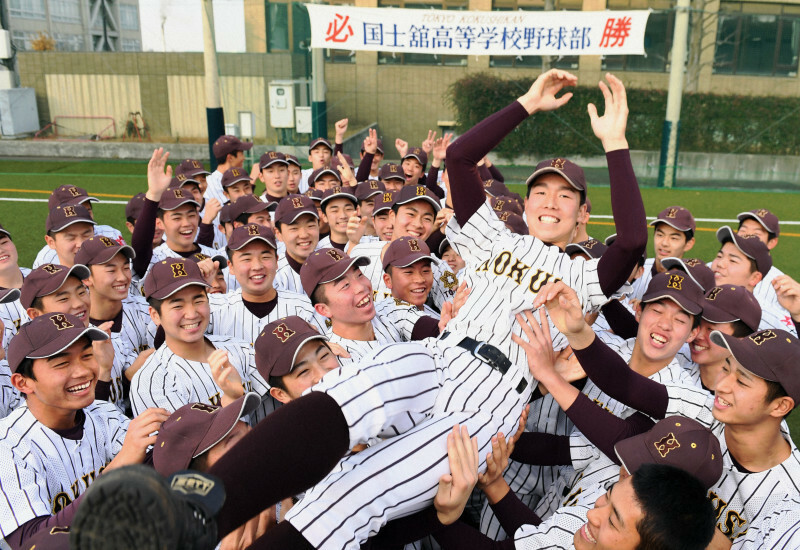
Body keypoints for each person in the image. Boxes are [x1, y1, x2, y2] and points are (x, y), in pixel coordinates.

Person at [526, 279, 800, 545]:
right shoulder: (704, 409)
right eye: (726, 369)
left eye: (741, 382)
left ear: (780, 406)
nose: (722, 386)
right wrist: (577, 331)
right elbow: (625, 384)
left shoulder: (789, 499)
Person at [0, 313, 168, 549]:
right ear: (22, 383)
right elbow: (33, 542)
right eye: (62, 363)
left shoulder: (102, 412)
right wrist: (118, 469)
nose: (82, 371)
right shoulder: (8, 449)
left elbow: (159, 467)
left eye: (87, 355)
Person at [129, 257, 270, 421]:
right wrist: (229, 400)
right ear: (155, 315)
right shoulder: (152, 381)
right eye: (178, 305)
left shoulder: (237, 348)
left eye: (198, 300)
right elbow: (179, 443)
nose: (192, 314)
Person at [711, 225, 796, 335]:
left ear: (754, 278)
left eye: (733, 260)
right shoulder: (695, 299)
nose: (720, 264)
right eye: (719, 256)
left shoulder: (773, 325)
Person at [629, 206, 695, 302]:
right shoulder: (635, 270)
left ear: (688, 244)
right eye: (660, 235)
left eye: (674, 238)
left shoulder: (694, 280)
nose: (664, 243)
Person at [273, 194, 321, 294]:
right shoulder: (273, 277)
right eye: (294, 228)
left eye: (310, 225)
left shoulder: (331, 263)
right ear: (279, 234)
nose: (303, 235)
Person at [205, 135, 253, 208]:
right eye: (241, 154)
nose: (244, 158)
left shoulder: (212, 180)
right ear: (230, 158)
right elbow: (235, 210)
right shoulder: (214, 184)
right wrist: (253, 179)